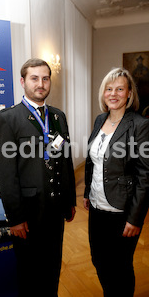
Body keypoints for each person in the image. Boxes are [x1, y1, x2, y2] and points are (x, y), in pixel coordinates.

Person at [0, 58, 76, 297]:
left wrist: (69, 199)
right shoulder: (8, 119)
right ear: (23, 81)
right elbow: (5, 173)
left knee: (52, 268)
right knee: (30, 273)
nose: (41, 83)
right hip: (28, 213)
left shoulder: (58, 116)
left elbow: (65, 159)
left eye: (45, 78)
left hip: (55, 210)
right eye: (34, 78)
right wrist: (16, 218)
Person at [83, 67, 149, 297]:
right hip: (97, 207)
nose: (113, 94)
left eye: (120, 89)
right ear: (103, 94)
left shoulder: (140, 125)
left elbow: (145, 175)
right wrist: (86, 193)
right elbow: (93, 159)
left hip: (123, 210)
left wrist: (135, 217)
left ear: (129, 94)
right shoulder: (100, 119)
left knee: (120, 266)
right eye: (108, 89)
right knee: (98, 259)